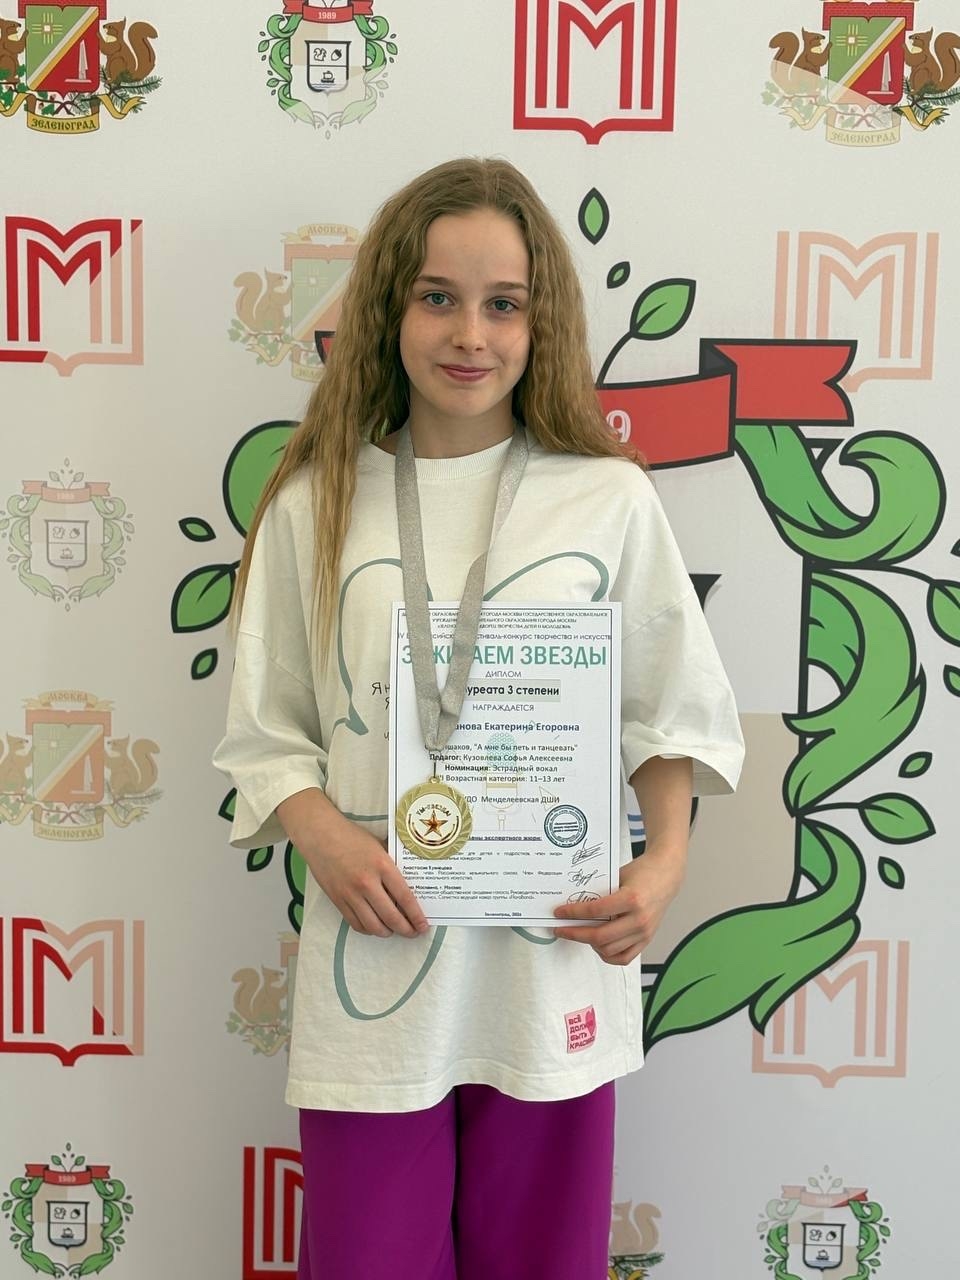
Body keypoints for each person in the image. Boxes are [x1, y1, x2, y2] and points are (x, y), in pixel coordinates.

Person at [213, 157, 744, 1280]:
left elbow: (670, 712)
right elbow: (266, 728)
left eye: (504, 303)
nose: (471, 334)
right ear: (388, 310)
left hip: (552, 959)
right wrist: (325, 835)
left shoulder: (606, 495)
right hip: (378, 964)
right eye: (438, 297)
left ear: (540, 323)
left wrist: (663, 866)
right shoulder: (316, 499)